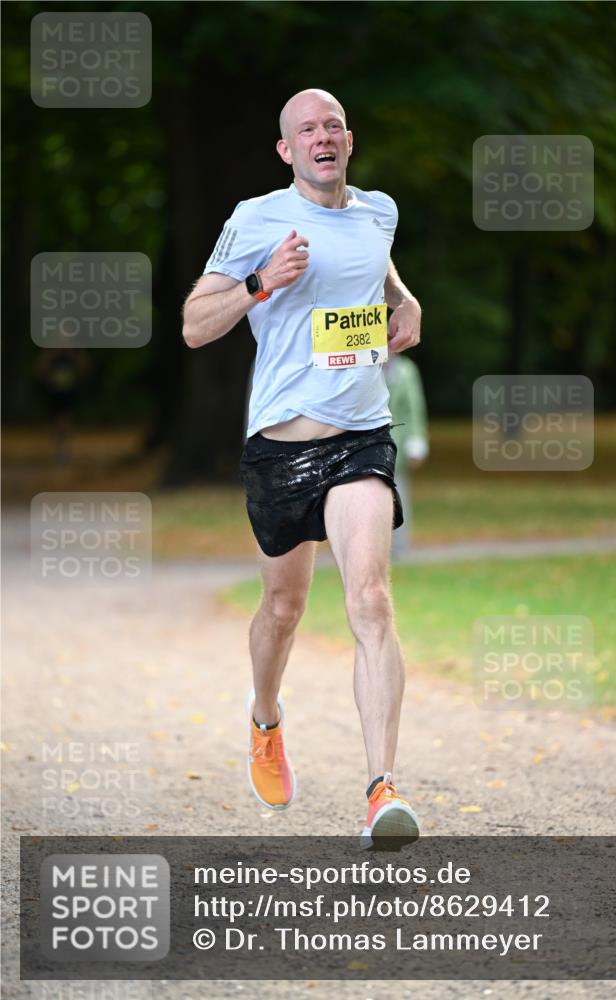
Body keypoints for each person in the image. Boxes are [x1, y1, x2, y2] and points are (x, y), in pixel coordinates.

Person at [182, 88, 422, 850]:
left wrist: (404, 299)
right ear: (286, 151)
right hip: (281, 447)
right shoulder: (256, 220)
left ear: (347, 139)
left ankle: (380, 789)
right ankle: (264, 715)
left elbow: (377, 269)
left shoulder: (377, 210)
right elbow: (193, 326)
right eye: (305, 130)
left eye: (332, 125)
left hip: (360, 435)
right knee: (282, 612)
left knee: (372, 601)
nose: (322, 137)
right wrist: (262, 284)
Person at [385, 353, 429, 560]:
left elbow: (414, 408)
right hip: (366, 442)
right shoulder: (366, 366)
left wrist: (416, 443)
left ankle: (398, 547)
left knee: (398, 494)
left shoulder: (406, 370)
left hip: (397, 444)